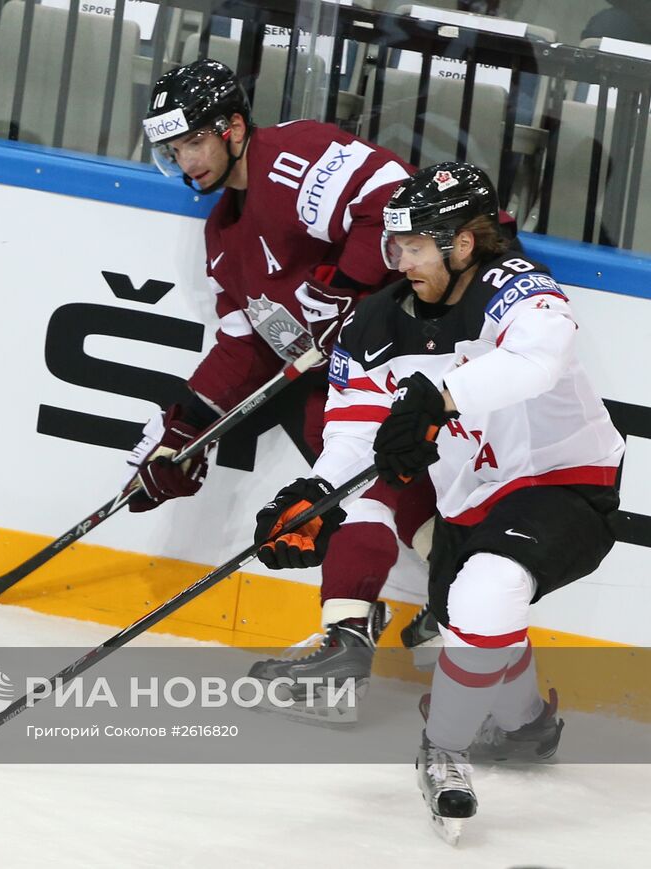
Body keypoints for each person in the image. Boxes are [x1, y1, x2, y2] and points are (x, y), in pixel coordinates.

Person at [252, 162, 623, 839]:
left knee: (486, 594)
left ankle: (442, 751)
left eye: (419, 245)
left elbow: (538, 360)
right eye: (397, 245)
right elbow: (354, 434)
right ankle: (526, 727)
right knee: (476, 614)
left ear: (463, 244)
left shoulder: (515, 286)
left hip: (564, 479)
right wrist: (317, 496)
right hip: (470, 501)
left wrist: (444, 396)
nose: (402, 260)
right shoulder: (373, 325)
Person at [136, 59, 435, 712]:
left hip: (418, 345)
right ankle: (368, 633)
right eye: (174, 148)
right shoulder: (222, 234)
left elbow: (392, 194)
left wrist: (344, 286)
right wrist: (184, 430)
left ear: (234, 126)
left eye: (193, 141)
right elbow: (244, 340)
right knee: (347, 465)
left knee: (366, 473)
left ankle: (429, 625)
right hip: (351, 375)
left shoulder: (290, 156)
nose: (186, 160)